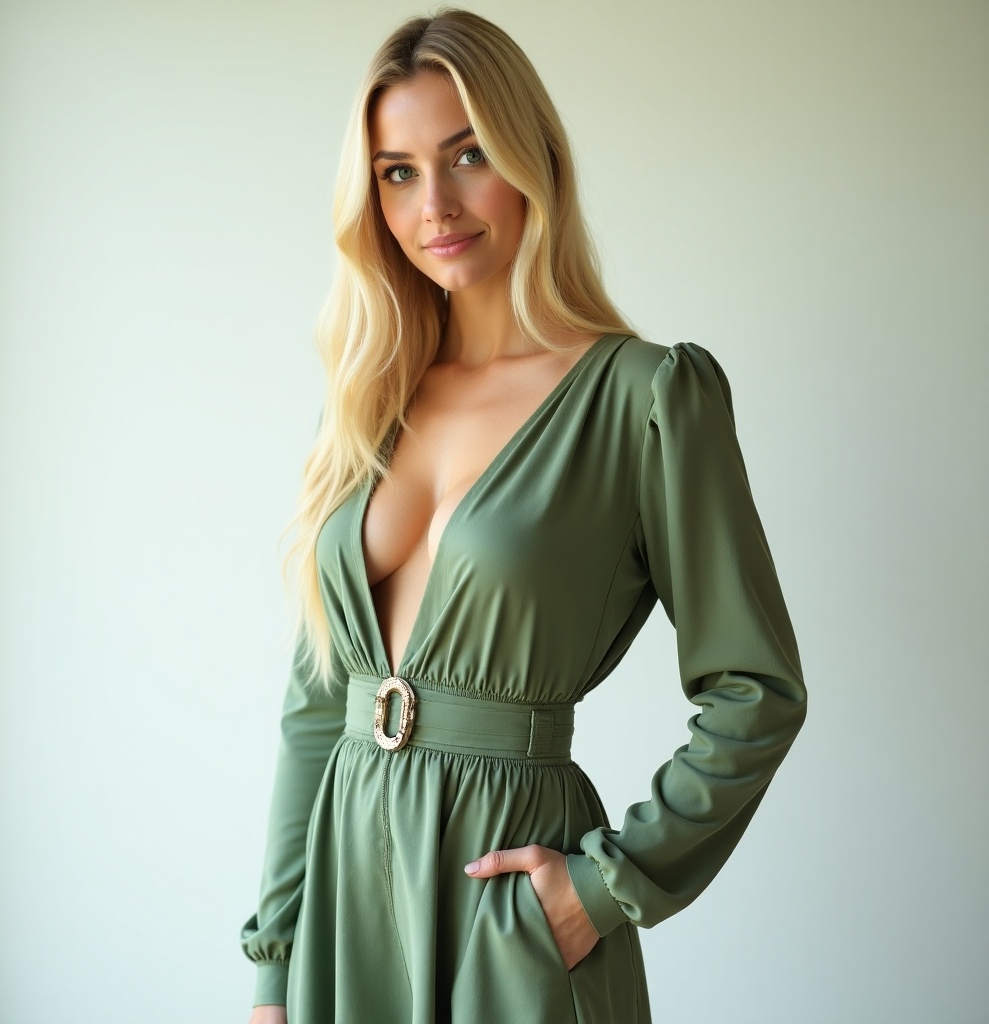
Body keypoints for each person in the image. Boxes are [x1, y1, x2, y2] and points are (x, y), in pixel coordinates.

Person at [239, 8, 807, 1023]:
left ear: (530, 157)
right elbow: (316, 702)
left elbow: (755, 687)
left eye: (467, 154)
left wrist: (603, 888)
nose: (435, 204)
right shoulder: (370, 396)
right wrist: (276, 965)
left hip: (504, 903)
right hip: (346, 897)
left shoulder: (645, 397)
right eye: (397, 171)